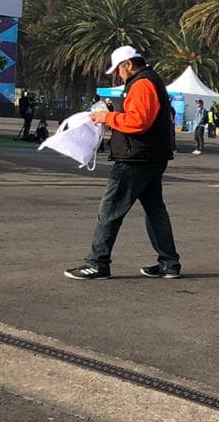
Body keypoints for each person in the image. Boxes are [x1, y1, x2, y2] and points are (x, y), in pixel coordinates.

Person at [65, 46, 181, 280]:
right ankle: (169, 262)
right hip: (150, 156)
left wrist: (107, 117)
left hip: (136, 157)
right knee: (155, 210)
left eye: (118, 68)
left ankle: (98, 263)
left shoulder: (142, 84)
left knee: (110, 210)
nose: (118, 74)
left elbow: (139, 122)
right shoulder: (149, 81)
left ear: (128, 64)